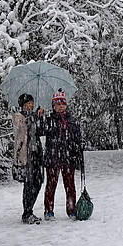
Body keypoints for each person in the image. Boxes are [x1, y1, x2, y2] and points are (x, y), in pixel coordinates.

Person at [43, 89, 83, 220]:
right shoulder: (48, 120)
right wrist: (39, 116)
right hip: (52, 157)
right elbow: (39, 131)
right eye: (57, 104)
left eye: (62, 103)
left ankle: (71, 210)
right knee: (51, 185)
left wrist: (78, 149)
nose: (60, 106)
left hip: (68, 157)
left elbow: (78, 139)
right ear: (53, 106)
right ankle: (49, 211)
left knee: (70, 185)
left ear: (66, 105)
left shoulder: (72, 121)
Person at [13, 93, 45, 224]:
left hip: (36, 153)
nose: (30, 106)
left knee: (38, 182)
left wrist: (41, 118)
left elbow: (41, 131)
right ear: (22, 105)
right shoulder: (18, 117)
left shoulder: (33, 117)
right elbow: (23, 129)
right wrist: (35, 115)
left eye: (32, 103)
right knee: (29, 184)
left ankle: (30, 210)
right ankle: (26, 213)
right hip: (26, 155)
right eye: (28, 104)